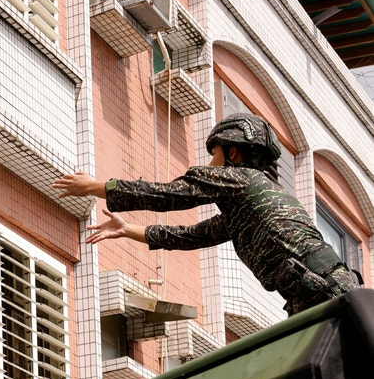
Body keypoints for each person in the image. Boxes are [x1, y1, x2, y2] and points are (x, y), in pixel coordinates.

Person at [53, 113, 361, 315]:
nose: (211, 164)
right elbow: (192, 236)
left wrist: (97, 187)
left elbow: (169, 195)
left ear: (232, 153)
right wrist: (127, 229)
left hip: (323, 291)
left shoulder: (239, 180)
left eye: (214, 154)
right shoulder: (251, 204)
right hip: (322, 290)